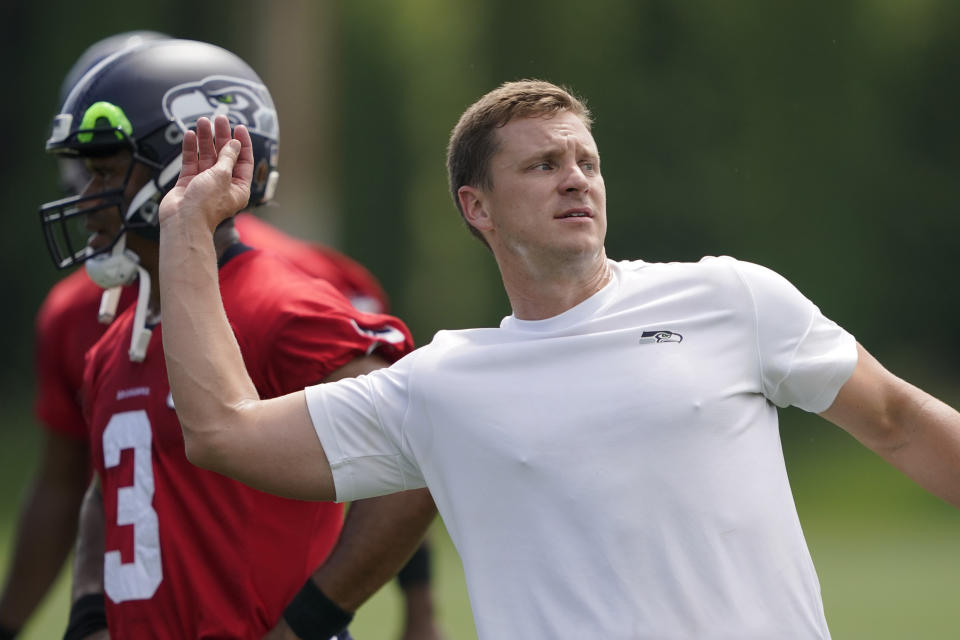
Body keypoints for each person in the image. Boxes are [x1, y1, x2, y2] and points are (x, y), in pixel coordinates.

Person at [157, 79, 960, 639]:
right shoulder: (442, 385)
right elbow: (224, 432)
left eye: (586, 161)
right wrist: (188, 230)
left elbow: (897, 420)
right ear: (478, 208)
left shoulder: (730, 299)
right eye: (543, 165)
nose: (576, 178)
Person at [33, 38, 442, 640]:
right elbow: (111, 482)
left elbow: (417, 454)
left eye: (106, 171)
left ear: (180, 163)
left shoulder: (283, 307)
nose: (87, 198)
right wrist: (90, 615)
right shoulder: (118, 336)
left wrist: (310, 621)